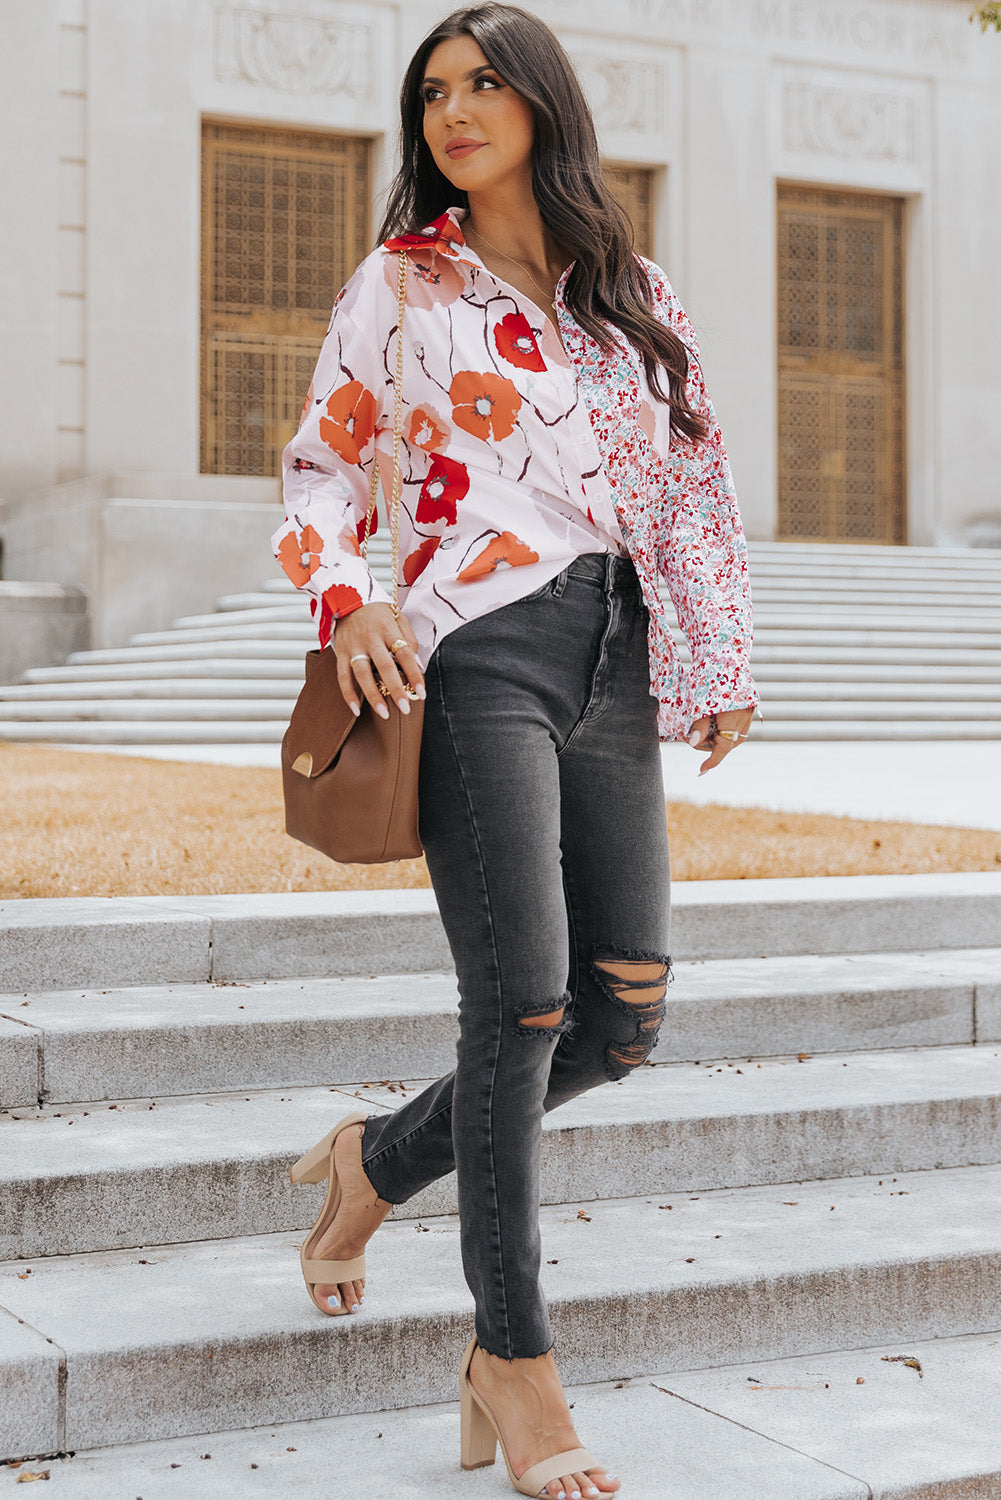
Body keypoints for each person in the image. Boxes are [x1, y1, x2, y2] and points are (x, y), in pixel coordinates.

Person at [273, 6, 759, 1495]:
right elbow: (319, 466)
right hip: (472, 648)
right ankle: (517, 1363)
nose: (455, 108)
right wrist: (347, 599)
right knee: (526, 1002)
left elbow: (690, 486)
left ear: (543, 105)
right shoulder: (402, 286)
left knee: (623, 1017)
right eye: (432, 91)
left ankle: (374, 1159)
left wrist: (715, 656)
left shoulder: (630, 290)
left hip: (611, 654)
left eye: (484, 83)